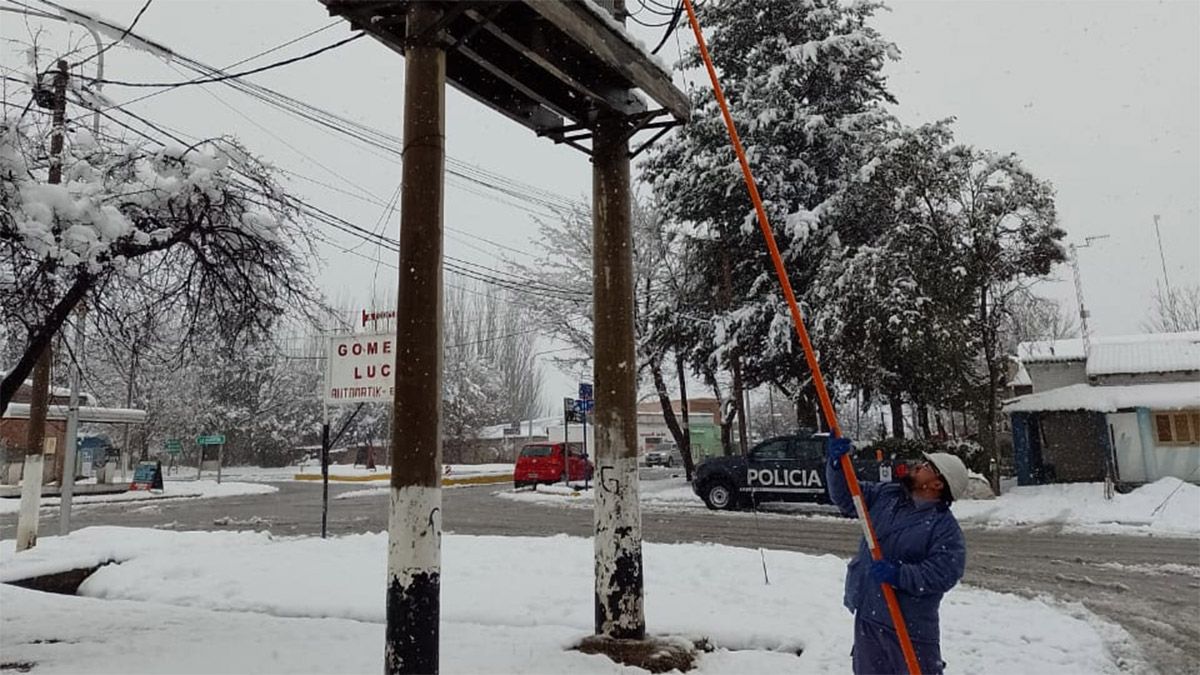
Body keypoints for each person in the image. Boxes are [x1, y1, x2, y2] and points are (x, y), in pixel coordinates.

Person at [827, 438, 968, 674]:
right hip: (869, 616)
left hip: (910, 628)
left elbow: (944, 572)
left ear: (937, 484)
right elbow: (848, 498)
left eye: (927, 466)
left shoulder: (944, 528)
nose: (918, 465)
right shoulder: (888, 495)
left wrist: (900, 575)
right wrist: (836, 466)